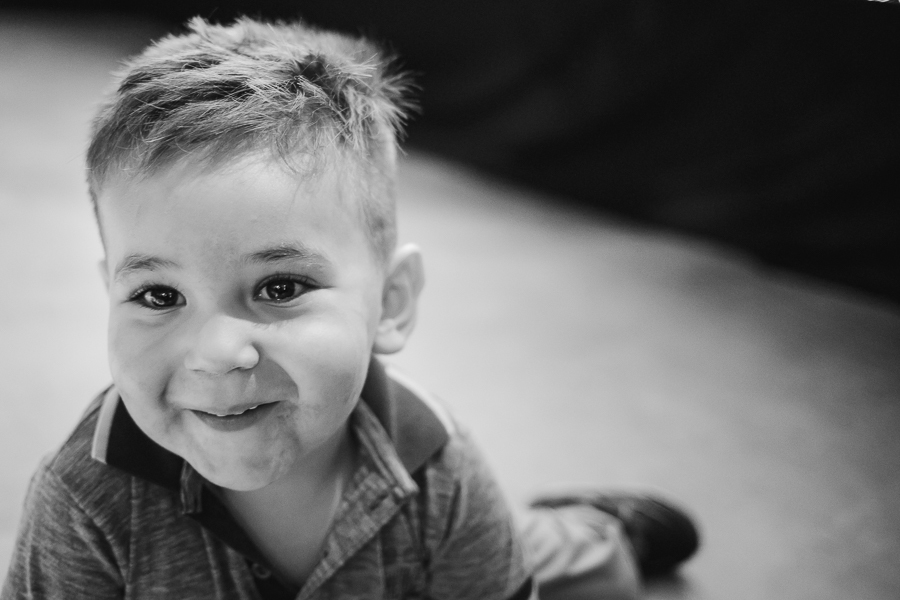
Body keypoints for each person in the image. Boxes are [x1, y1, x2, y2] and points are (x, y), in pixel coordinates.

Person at [1, 17, 697, 600]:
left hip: (452, 553)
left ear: (390, 302)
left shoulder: (436, 464)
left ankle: (597, 525)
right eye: (158, 296)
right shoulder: (83, 500)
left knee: (584, 573)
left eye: (280, 287)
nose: (216, 352)